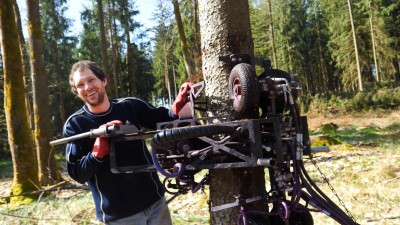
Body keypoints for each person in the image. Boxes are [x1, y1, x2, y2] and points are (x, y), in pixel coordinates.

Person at [63, 60, 190, 224]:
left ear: (103, 80)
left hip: (155, 203)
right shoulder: (75, 125)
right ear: (77, 92)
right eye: (80, 85)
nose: (87, 87)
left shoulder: (130, 106)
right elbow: (77, 173)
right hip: (120, 216)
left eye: (91, 80)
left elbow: (163, 120)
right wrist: (96, 153)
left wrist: (175, 109)